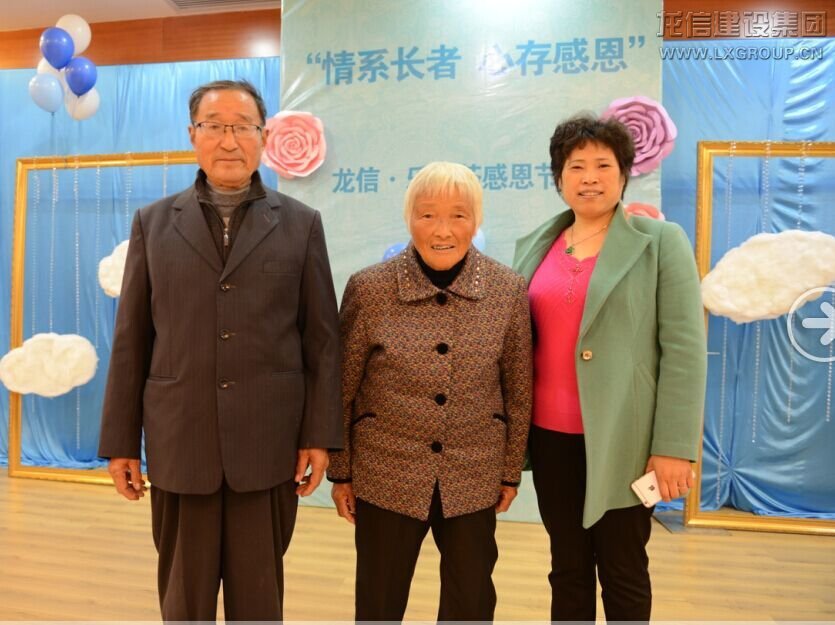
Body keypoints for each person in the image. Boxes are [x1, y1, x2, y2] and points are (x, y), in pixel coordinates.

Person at [98, 79, 342, 621]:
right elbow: (132, 340)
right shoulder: (153, 224)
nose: (229, 140)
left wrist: (319, 435)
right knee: (184, 601)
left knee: (259, 600)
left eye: (242, 126)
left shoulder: (301, 224)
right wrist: (120, 442)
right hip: (180, 441)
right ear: (193, 135)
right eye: (214, 126)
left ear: (264, 136)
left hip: (268, 444)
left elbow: (322, 340)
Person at [513, 114, 707, 622]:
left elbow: (684, 350)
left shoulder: (659, 242)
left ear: (624, 174)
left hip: (626, 440)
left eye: (603, 165)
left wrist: (674, 447)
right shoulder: (534, 245)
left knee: (623, 569)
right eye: (576, 166)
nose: (590, 178)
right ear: (559, 177)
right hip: (550, 439)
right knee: (566, 568)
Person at [327, 162, 532, 622]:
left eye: (458, 215)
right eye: (427, 215)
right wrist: (341, 472)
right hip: (386, 471)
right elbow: (341, 386)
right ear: (409, 219)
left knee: (471, 601)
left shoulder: (507, 289)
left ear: (476, 220)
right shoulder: (369, 288)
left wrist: (510, 472)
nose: (443, 230)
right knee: (378, 602)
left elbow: (518, 389)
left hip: (473, 471)